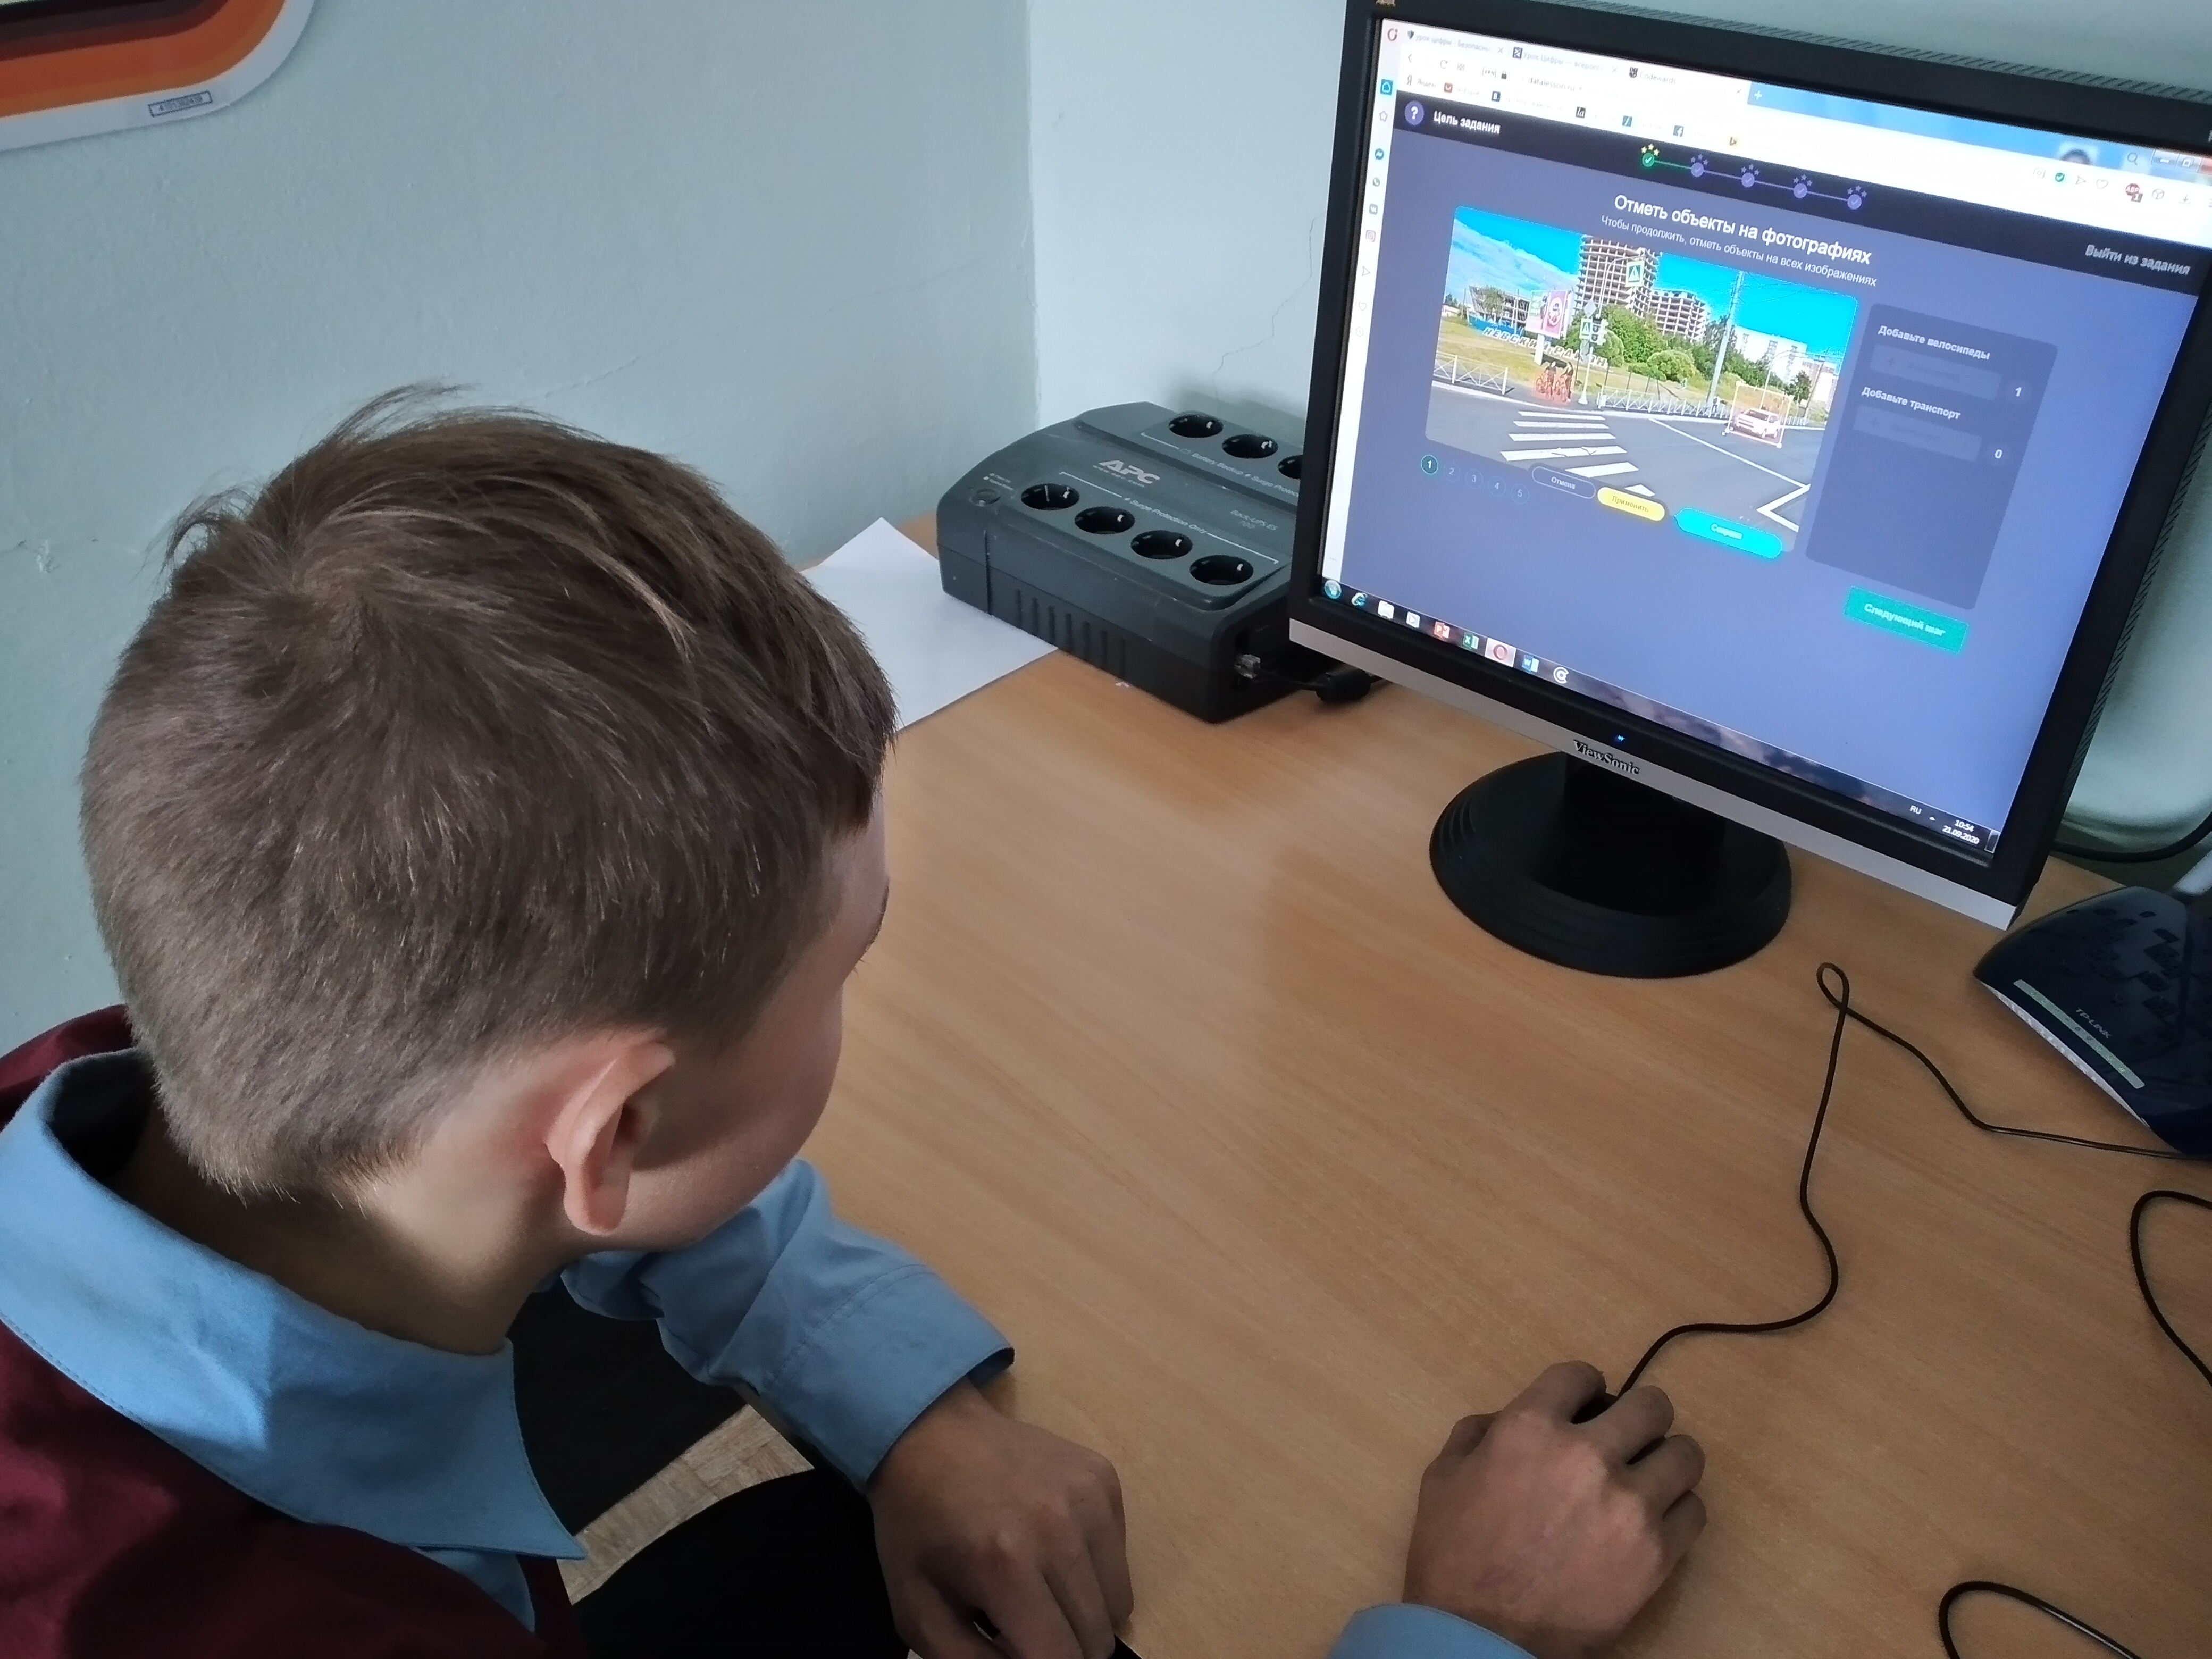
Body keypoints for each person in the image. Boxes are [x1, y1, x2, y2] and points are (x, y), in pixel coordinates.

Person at [0, 397, 1705, 1659]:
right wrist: (1478, 1628)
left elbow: (623, 1194)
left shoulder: (171, 1093)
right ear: (616, 1135)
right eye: (848, 961)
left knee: (810, 1555)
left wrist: (911, 1411)